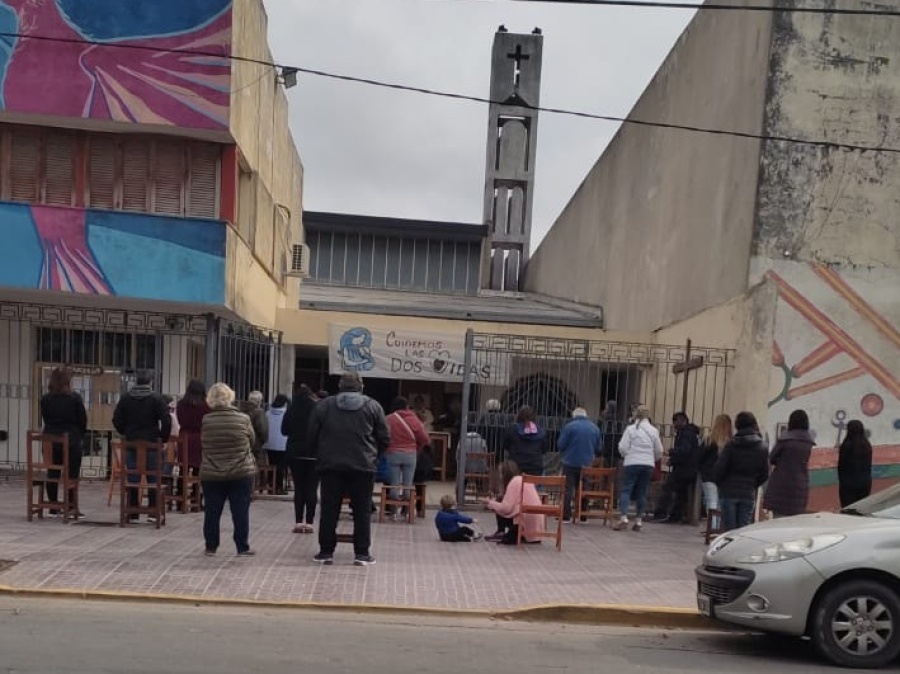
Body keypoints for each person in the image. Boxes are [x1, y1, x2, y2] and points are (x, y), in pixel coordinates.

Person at [308, 372, 390, 566]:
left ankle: (326, 552)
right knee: (361, 511)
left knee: (329, 510)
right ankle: (362, 553)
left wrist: (321, 455)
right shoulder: (372, 406)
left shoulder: (324, 405)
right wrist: (374, 456)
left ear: (340, 386)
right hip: (363, 466)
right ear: (361, 386)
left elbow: (311, 435)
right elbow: (385, 437)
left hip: (331, 466)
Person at [200, 383, 257, 556]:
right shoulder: (243, 419)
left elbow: (204, 443)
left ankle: (211, 546)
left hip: (212, 472)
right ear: (230, 397)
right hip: (240, 471)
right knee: (240, 510)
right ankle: (242, 546)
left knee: (212, 510)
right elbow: (252, 441)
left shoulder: (206, 420)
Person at [112, 371, 171, 522]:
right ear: (150, 382)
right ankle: (152, 511)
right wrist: (162, 438)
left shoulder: (126, 398)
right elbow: (166, 420)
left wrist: (124, 431)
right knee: (153, 477)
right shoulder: (156, 398)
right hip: (151, 442)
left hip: (131, 442)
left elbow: (116, 419)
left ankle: (132, 511)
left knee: (132, 477)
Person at [39, 367, 87, 517]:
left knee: (52, 471)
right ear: (67, 381)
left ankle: (53, 506)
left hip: (50, 439)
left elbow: (46, 418)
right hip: (71, 440)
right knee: (72, 474)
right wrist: (80, 434)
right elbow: (82, 420)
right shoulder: (74, 398)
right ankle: (71, 506)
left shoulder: (45, 399)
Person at [713, 411, 769, 531]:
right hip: (748, 492)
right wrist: (753, 484)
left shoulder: (731, 445)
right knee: (743, 530)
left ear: (737, 425)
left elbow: (719, 469)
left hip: (728, 492)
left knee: (728, 531)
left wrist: (722, 484)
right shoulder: (762, 447)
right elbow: (765, 473)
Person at [614, 405, 663, 531]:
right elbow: (659, 450)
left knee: (626, 490)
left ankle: (624, 517)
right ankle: (639, 520)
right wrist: (652, 458)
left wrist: (627, 455)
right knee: (642, 492)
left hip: (632, 463)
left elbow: (623, 447)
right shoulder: (653, 431)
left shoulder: (630, 429)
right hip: (647, 464)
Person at [282, 384, 319, 534]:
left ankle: (298, 522)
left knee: (299, 488)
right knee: (312, 488)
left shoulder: (291, 409)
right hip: (314, 453)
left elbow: (284, 431)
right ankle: (309, 522)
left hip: (295, 452)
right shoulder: (317, 409)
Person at [764, 409, 815, 518]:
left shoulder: (785, 439)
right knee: (793, 523)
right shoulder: (808, 442)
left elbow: (772, 457)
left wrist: (782, 462)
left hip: (781, 484)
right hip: (800, 485)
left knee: (778, 520)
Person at [385, 396, 430, 515]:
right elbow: (425, 438)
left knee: (394, 482)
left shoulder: (388, 419)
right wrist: (417, 447)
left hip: (393, 453)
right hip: (410, 454)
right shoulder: (413, 419)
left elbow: (382, 436)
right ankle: (407, 509)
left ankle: (393, 509)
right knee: (408, 483)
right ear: (406, 407)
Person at [653, 412, 700, 523]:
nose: (674, 424)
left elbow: (685, 450)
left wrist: (671, 452)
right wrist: (673, 460)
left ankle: (661, 513)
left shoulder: (686, 434)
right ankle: (675, 516)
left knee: (669, 489)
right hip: (689, 468)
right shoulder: (689, 433)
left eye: (676, 421)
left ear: (683, 421)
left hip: (683, 469)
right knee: (681, 494)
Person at [557, 407, 602, 523]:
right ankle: (583, 515)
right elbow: (599, 448)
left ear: (574, 415)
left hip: (570, 462)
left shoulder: (569, 427)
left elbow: (561, 444)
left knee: (568, 489)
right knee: (584, 488)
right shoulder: (595, 428)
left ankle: (566, 516)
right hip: (586, 463)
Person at [484, 460, 544, 544]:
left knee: (499, 501)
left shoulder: (514, 482)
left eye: (501, 473)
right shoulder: (523, 479)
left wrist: (490, 503)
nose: (500, 477)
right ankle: (505, 533)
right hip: (536, 527)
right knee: (499, 501)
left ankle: (501, 531)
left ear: (505, 474)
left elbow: (506, 508)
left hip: (524, 523)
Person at [176, 379, 210, 505]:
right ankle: (196, 499)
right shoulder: (205, 406)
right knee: (197, 471)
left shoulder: (180, 404)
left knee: (182, 470)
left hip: (183, 438)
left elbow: (180, 420)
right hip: (198, 439)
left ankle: (180, 498)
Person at [697, 414, 733, 530]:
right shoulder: (731, 442)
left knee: (711, 501)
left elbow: (700, 457)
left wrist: (701, 469)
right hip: (724, 476)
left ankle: (711, 528)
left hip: (708, 475)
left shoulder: (709, 439)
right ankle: (717, 528)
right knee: (719, 503)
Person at [502, 406, 548, 476]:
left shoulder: (512, 429)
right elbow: (544, 450)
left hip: (516, 468)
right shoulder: (541, 431)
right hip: (535, 468)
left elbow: (505, 444)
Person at [838, 420, 873, 507]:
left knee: (848, 511)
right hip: (865, 483)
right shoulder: (867, 445)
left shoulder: (846, 446)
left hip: (848, 484)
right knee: (863, 510)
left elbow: (841, 466)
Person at [264, 394, 289, 494]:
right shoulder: (286, 413)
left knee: (271, 464)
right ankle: (279, 487)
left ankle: (271, 485)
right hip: (282, 443)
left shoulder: (268, 413)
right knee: (281, 466)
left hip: (269, 443)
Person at [245, 391, 269, 466]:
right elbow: (263, 430)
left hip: (244, 444)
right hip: (256, 444)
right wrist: (264, 440)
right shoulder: (259, 412)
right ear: (259, 401)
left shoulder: (243, 410)